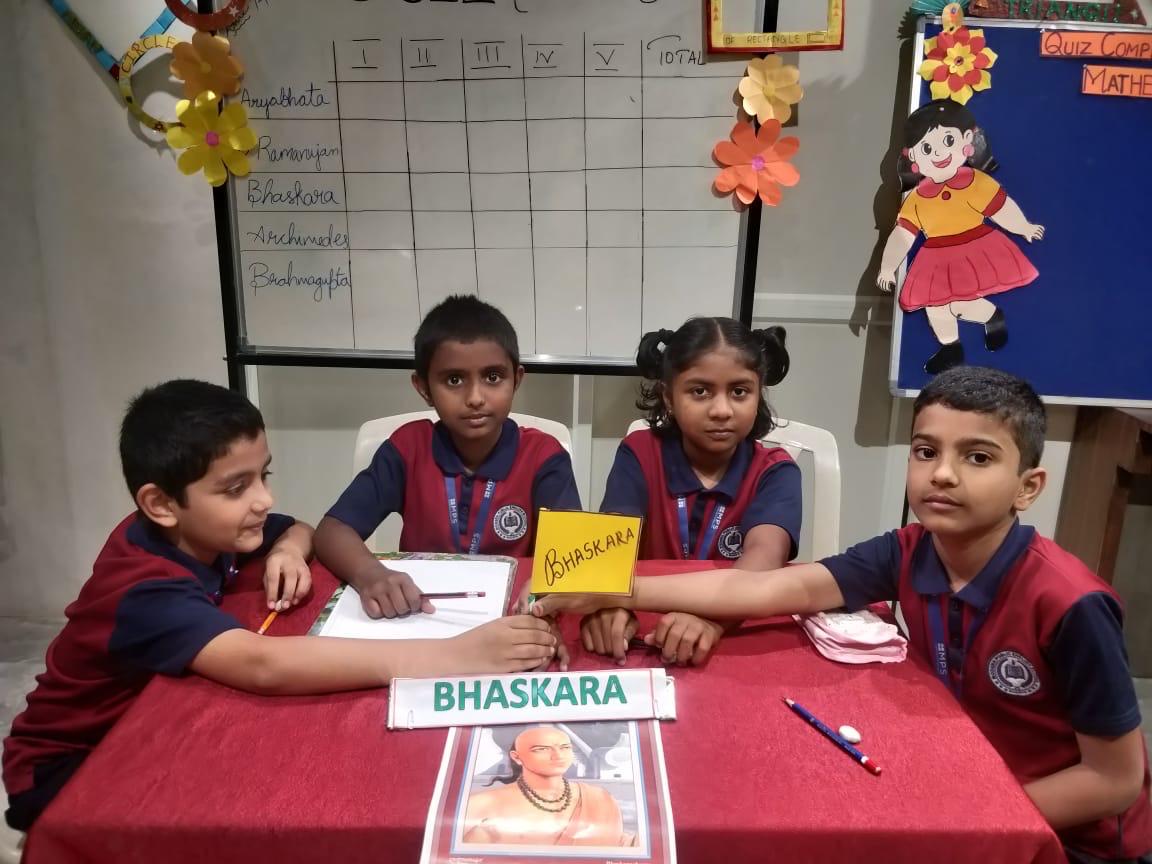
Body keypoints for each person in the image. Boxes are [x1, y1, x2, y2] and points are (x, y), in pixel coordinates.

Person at [534, 367, 1151, 863]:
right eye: (926, 450)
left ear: (1029, 486)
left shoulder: (1071, 602)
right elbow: (768, 591)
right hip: (964, 780)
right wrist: (605, 588)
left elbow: (1115, 780)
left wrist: (973, 816)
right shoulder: (907, 551)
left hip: (1068, 837)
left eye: (978, 458)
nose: (941, 473)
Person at [3, 380, 557, 833]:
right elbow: (262, 664)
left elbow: (296, 527)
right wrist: (454, 654)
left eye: (263, 476)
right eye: (236, 488)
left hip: (149, 716)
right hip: (71, 764)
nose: (263, 500)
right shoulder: (144, 587)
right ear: (160, 504)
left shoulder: (197, 532)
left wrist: (290, 546)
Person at [314, 295, 581, 619]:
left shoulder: (543, 456)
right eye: (454, 380)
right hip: (422, 615)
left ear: (517, 380)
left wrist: (544, 586)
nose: (475, 398)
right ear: (424, 387)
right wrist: (370, 574)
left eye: (493, 377)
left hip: (513, 616)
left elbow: (571, 554)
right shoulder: (408, 448)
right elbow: (332, 530)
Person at [586, 317, 801, 666]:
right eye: (700, 391)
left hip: (730, 635)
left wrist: (712, 619)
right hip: (644, 627)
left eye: (740, 391)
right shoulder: (639, 452)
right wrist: (607, 605)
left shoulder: (776, 470)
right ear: (668, 397)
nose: (721, 410)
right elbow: (612, 544)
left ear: (759, 393)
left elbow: (763, 561)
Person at [876, 99, 1045, 374]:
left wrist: (1023, 227)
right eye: (927, 148)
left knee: (958, 303)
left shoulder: (975, 182)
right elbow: (903, 234)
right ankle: (950, 346)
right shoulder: (917, 198)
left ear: (967, 139)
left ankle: (991, 316)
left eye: (948, 140)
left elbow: (1000, 208)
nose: (938, 153)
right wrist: (888, 267)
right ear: (914, 157)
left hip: (976, 247)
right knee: (936, 306)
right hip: (936, 257)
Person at [463, 725, 635, 847]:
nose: (558, 755)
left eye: (565, 747)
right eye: (542, 749)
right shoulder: (481, 805)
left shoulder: (599, 798)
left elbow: (617, 844)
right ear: (516, 757)